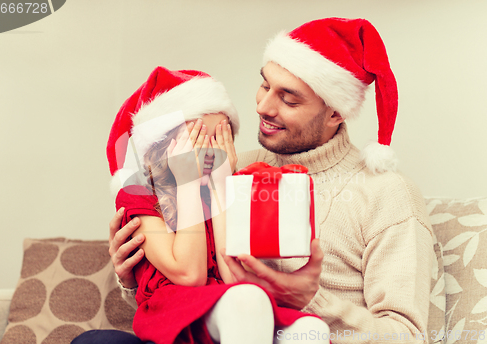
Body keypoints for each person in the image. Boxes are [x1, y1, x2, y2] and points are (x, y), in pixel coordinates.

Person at [77, 17, 434, 344]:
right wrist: (132, 274)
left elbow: (408, 336)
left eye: (288, 99)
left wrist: (312, 300)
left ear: (335, 113)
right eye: (264, 85)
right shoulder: (229, 165)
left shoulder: (386, 194)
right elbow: (188, 283)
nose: (263, 106)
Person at [80, 66, 329, 344]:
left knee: (312, 330)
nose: (208, 152)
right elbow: (190, 274)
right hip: (177, 313)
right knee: (247, 298)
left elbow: (232, 277)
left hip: (230, 309)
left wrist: (221, 186)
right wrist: (186, 182)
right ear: (162, 148)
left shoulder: (228, 186)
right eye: (196, 139)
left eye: (219, 139)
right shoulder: (139, 193)